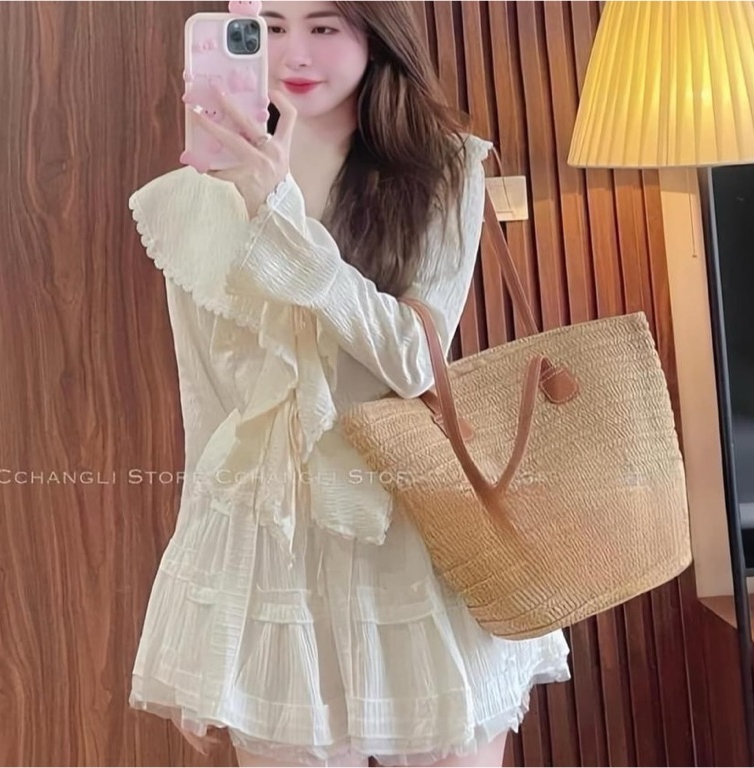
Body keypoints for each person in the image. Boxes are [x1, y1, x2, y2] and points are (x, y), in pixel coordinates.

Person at [127, 2, 571, 766]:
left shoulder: (443, 171)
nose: (294, 52)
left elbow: (413, 362)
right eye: (270, 27)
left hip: (415, 534)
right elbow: (208, 406)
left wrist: (280, 218)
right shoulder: (189, 199)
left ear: (375, 33)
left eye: (324, 27)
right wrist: (199, 634)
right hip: (270, 552)